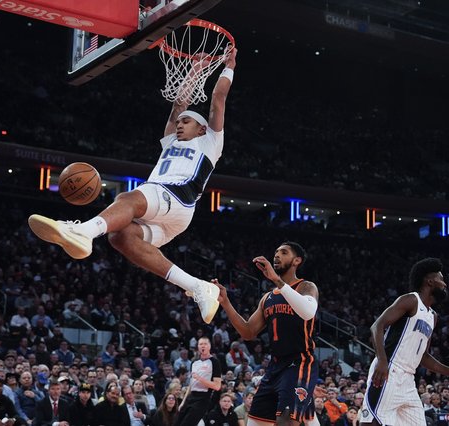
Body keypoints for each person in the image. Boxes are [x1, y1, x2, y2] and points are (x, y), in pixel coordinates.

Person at [28, 47, 238, 325]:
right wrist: (195, 70)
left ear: (201, 128)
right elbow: (178, 105)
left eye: (187, 121)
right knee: (120, 237)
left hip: (176, 196)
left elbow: (217, 100)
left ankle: (82, 230)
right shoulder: (170, 142)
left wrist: (229, 66)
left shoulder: (210, 142)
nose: (179, 124)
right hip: (172, 215)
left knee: (129, 197)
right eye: (179, 121)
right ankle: (198, 286)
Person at [213, 242, 319, 426]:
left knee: (285, 421)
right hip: (275, 366)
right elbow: (248, 332)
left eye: (284, 252)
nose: (277, 255)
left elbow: (308, 312)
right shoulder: (268, 298)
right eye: (276, 251)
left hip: (299, 362)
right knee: (254, 423)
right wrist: (226, 303)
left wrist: (278, 281)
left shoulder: (306, 287)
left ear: (297, 260)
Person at [359, 258, 449, 425]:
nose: (444, 284)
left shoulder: (433, 316)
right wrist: (382, 361)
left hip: (408, 379)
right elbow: (377, 326)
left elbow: (424, 356)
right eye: (441, 279)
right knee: (371, 421)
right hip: (390, 370)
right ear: (430, 281)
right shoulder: (410, 300)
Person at [174, 337, 221, 426]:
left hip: (203, 398)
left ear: (209, 346)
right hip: (190, 397)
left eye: (205, 344)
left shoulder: (215, 362)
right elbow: (191, 384)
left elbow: (217, 386)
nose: (203, 346)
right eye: (201, 344)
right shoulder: (194, 362)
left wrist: (200, 378)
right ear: (198, 347)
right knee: (176, 423)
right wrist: (183, 402)